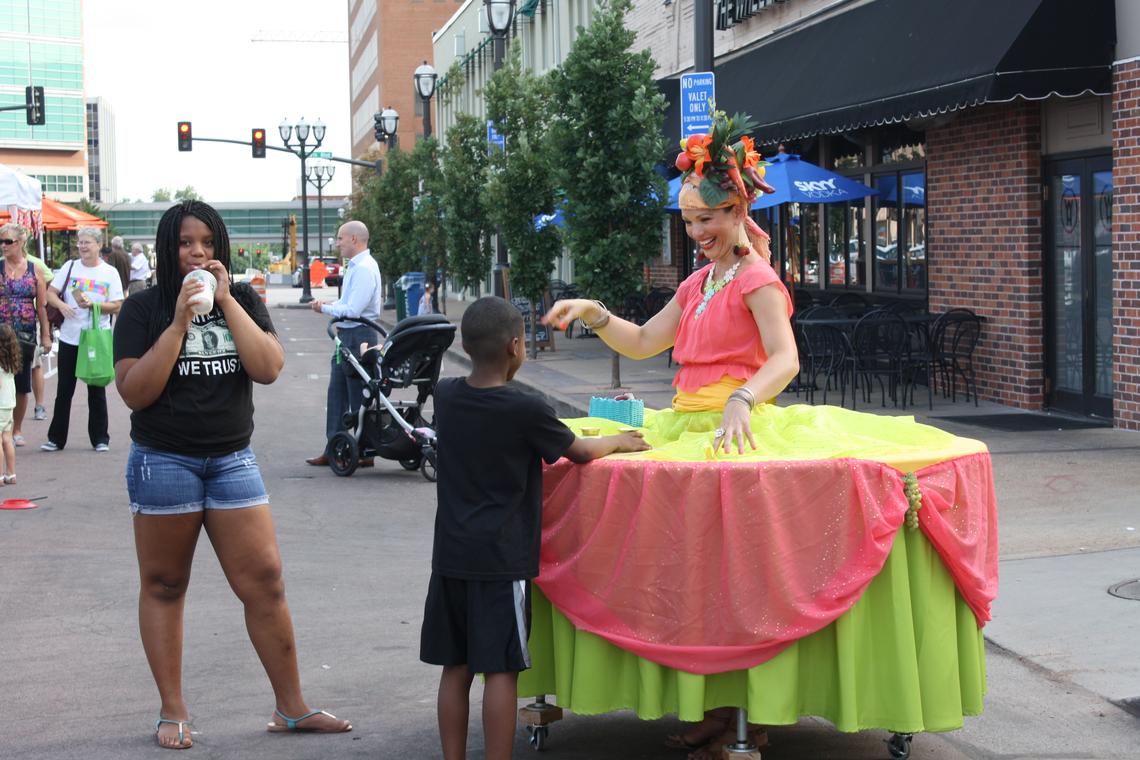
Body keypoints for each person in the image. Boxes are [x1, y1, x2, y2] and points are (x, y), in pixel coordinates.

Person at [543, 110, 796, 759]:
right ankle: (719, 707)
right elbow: (648, 340)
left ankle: (747, 714)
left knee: (732, 576)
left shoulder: (758, 280)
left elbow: (785, 359)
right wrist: (595, 312)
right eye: (687, 221)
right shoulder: (697, 282)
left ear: (737, 208)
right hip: (686, 424)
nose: (696, 232)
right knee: (695, 574)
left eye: (705, 218)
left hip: (732, 432)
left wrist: (742, 397)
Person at [113, 200, 352, 750]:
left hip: (232, 460)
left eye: (207, 242)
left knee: (265, 583)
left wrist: (225, 300)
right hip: (163, 459)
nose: (197, 251)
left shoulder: (240, 298)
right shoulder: (144, 308)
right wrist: (178, 322)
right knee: (166, 585)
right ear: (166, 247)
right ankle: (173, 710)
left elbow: (268, 369)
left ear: (220, 248)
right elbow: (134, 392)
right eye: (184, 242)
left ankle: (291, 708)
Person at [420, 296, 648, 760]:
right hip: (501, 561)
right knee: (502, 670)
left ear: (466, 345)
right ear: (516, 347)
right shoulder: (525, 407)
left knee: (456, 666)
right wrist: (620, 440)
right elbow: (578, 451)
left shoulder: (445, 395)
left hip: (451, 555)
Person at [305, 220, 382, 467]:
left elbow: (353, 309)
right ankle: (334, 446)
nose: (336, 243)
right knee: (337, 393)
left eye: (340, 238)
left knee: (358, 395)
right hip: (346, 336)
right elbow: (348, 303)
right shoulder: (355, 267)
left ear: (354, 240)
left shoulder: (364, 269)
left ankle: (363, 450)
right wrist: (327, 305)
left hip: (359, 335)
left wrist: (324, 308)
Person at [41, 227, 123, 452]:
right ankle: (56, 438)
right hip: (70, 338)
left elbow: (117, 305)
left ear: (98, 244)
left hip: (95, 338)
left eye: (87, 242)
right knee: (64, 390)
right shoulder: (69, 267)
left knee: (96, 389)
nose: (82, 247)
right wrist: (62, 305)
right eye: (80, 242)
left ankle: (100, 439)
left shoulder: (109, 273)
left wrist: (95, 306)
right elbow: (50, 293)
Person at [0, 223, 52, 449]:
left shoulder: (34, 270)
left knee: (21, 384)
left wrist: (46, 336)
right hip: (0, 333)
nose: (3, 246)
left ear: (20, 243)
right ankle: (4, 425)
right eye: (1, 242)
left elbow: (42, 307)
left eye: (8, 241)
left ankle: (16, 428)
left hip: (24, 333)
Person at [0, 324, 20, 485]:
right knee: (7, 438)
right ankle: (11, 473)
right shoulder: (10, 363)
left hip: (0, 405)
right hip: (9, 404)